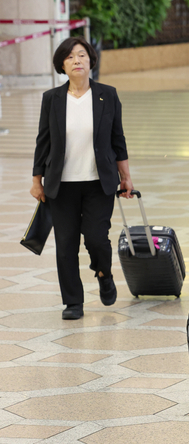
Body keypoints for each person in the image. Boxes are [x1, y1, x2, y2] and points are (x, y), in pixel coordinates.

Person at [30, 36, 134, 321]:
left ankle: (104, 273)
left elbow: (118, 139)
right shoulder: (52, 99)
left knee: (98, 238)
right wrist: (37, 180)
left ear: (91, 61)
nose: (77, 60)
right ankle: (73, 302)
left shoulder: (107, 94)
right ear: (62, 65)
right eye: (70, 57)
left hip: (97, 182)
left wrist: (125, 178)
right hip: (61, 185)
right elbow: (43, 141)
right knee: (66, 245)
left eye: (82, 55)